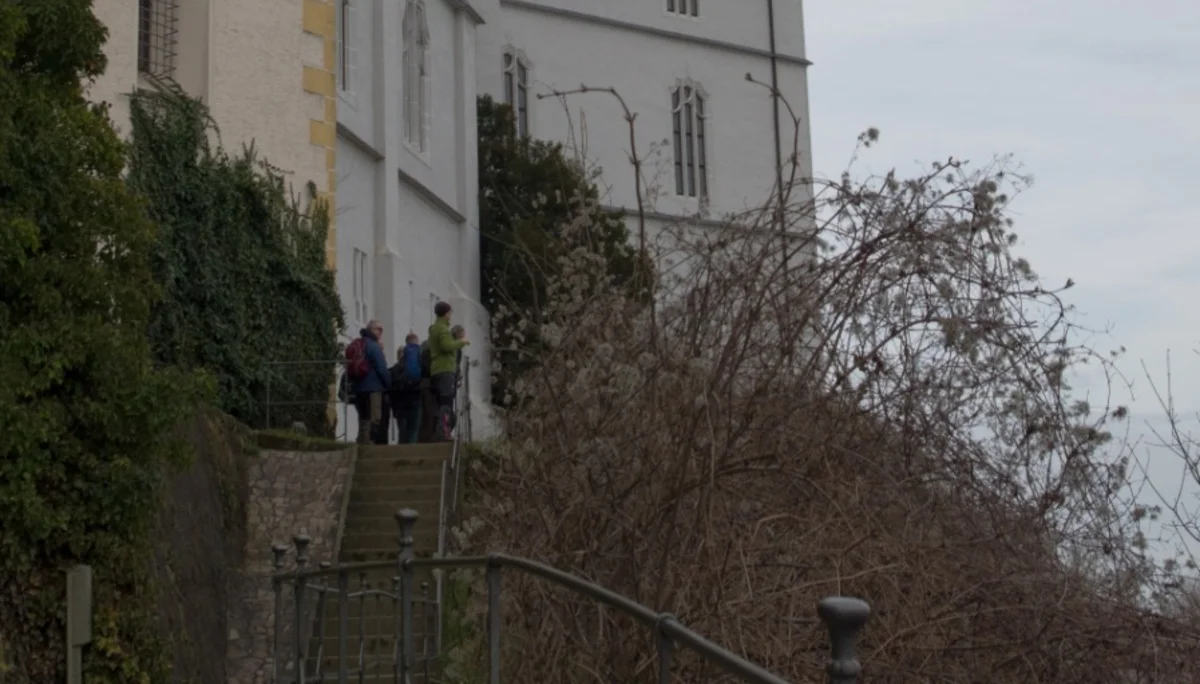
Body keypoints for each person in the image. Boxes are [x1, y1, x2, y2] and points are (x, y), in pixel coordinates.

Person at [428, 302, 469, 441]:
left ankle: (439, 432)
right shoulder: (443, 329)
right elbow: (447, 346)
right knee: (446, 402)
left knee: (440, 404)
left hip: (436, 369)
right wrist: (462, 342)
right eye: (450, 312)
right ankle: (444, 433)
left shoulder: (434, 328)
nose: (451, 315)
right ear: (446, 313)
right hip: (445, 369)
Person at [346, 319, 390, 444]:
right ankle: (370, 443)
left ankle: (361, 441)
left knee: (363, 417)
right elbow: (382, 368)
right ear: (371, 330)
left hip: (359, 387)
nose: (381, 332)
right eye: (379, 329)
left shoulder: (359, 343)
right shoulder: (373, 346)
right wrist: (388, 385)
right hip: (373, 387)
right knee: (375, 417)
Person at [389, 333, 423, 444]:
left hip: (400, 403)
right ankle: (412, 451)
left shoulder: (394, 369)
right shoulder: (419, 358)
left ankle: (401, 451)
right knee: (413, 429)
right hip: (416, 396)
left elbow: (392, 387)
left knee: (402, 430)